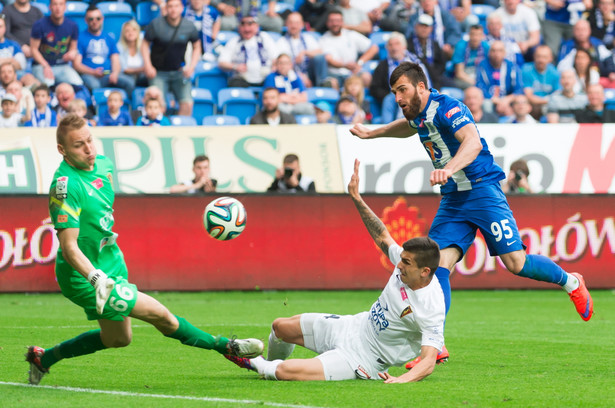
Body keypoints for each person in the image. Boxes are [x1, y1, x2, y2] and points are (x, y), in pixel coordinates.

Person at [349, 62, 594, 365]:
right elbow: (409, 128)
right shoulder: (418, 115)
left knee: (516, 263)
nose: (398, 98)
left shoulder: (448, 108)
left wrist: (448, 169)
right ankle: (435, 344)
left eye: (403, 90)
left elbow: (473, 142)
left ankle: (571, 282)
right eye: (395, 92)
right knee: (436, 267)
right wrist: (373, 133)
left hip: (482, 191)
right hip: (453, 198)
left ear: (421, 87)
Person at [24, 114, 264, 386]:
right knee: (161, 316)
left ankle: (43, 359)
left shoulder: (103, 165)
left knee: (119, 338)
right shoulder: (64, 187)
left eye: (90, 140)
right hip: (83, 275)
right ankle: (227, 347)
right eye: (79, 145)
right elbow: (69, 247)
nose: (89, 149)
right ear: (62, 150)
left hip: (110, 260)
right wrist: (97, 279)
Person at [227, 159, 445, 383]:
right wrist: (357, 199)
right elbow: (382, 236)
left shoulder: (431, 307)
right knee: (280, 327)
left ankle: (249, 360)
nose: (399, 264)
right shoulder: (404, 263)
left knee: (286, 372)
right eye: (402, 259)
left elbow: (428, 362)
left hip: (364, 359)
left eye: (407, 263)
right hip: (353, 326)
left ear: (424, 271)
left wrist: (402, 379)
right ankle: (267, 368)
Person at [142, 0, 201, 117]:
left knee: (187, 103)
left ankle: (180, 129)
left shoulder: (189, 26)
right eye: (170, 6)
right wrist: (148, 66)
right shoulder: (156, 24)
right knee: (158, 106)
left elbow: (197, 46)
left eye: (176, 6)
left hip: (179, 72)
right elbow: (144, 45)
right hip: (158, 72)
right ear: (166, 8)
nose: (173, 9)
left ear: (182, 8)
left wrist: (192, 67)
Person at [73, 5, 135, 97]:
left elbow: (115, 60)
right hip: (89, 75)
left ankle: (124, 108)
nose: (94, 22)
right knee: (95, 86)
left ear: (102, 19)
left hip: (108, 75)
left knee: (130, 83)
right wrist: (92, 72)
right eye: (91, 19)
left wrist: (115, 73)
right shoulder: (80, 38)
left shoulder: (109, 37)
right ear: (86, 20)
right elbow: (77, 65)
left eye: (97, 18)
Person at [370, 32, 431, 124]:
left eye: (397, 44)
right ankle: (388, 129)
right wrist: (395, 93)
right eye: (390, 45)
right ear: (387, 48)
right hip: (391, 96)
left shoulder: (416, 62)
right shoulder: (382, 66)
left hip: (415, 93)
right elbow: (375, 88)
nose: (394, 48)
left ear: (404, 47)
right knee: (389, 99)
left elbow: (427, 83)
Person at [319, 10, 378, 90]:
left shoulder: (350, 34)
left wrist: (360, 63)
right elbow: (329, 59)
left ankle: (364, 101)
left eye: (338, 21)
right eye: (332, 21)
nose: (335, 23)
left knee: (366, 77)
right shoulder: (323, 39)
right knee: (331, 83)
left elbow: (374, 48)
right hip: (334, 75)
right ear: (327, 23)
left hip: (353, 73)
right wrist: (344, 65)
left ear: (342, 22)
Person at [30, 0, 83, 87]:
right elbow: (33, 49)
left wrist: (72, 53)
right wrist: (45, 66)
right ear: (50, 7)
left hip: (62, 65)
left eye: (61, 4)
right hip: (41, 65)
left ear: (65, 7)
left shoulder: (73, 25)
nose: (58, 8)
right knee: (48, 85)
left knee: (78, 84)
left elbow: (73, 47)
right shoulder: (39, 25)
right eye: (55, 4)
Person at [217, 12, 279, 88]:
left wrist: (274, 67)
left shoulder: (265, 38)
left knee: (275, 80)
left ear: (256, 26)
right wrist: (235, 66)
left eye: (250, 24)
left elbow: (276, 58)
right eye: (243, 24)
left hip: (265, 78)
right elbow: (222, 62)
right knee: (234, 83)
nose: (246, 29)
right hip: (242, 80)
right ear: (239, 27)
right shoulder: (234, 42)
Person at [276, 12, 327, 88]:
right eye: (291, 23)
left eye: (297, 23)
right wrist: (299, 75)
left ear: (302, 25)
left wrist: (304, 52)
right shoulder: (281, 42)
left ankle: (322, 85)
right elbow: (280, 64)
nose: (294, 26)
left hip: (311, 72)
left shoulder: (308, 38)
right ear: (286, 24)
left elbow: (320, 52)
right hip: (292, 74)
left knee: (319, 58)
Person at [475, 40, 523, 116]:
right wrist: (496, 100)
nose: (496, 54)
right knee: (486, 104)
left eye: (500, 51)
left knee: (521, 101)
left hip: (507, 100)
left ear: (504, 53)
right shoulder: (482, 66)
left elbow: (519, 89)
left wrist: (506, 100)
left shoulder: (512, 67)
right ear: (489, 53)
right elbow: (479, 87)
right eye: (493, 51)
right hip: (490, 100)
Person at [407, 14, 453, 90]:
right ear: (416, 27)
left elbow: (442, 63)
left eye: (427, 26)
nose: (424, 29)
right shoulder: (408, 44)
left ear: (431, 29)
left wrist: (433, 74)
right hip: (415, 78)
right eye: (421, 26)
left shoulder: (434, 44)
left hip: (435, 78)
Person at [521, 45, 560, 120]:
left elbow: (557, 93)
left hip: (549, 106)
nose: (541, 60)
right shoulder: (526, 70)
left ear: (550, 58)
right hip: (532, 105)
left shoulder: (555, 73)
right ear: (534, 57)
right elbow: (529, 96)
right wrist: (547, 100)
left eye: (544, 57)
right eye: (538, 56)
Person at [117, 20, 147, 90]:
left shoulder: (143, 45)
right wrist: (142, 69)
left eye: (134, 30)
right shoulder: (119, 47)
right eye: (127, 31)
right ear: (123, 33)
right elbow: (124, 69)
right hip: (126, 76)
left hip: (141, 76)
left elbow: (148, 64)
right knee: (130, 83)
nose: (131, 33)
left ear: (138, 32)